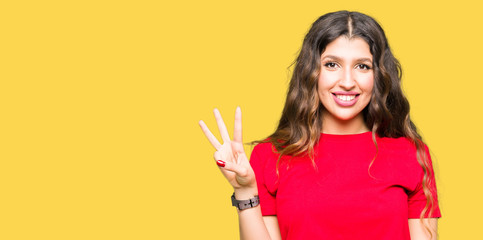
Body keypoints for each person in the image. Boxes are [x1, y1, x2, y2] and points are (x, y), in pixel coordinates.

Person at [198, 10, 441, 240]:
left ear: (378, 75)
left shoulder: (411, 154)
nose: (347, 81)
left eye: (362, 66)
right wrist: (244, 191)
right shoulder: (270, 156)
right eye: (332, 64)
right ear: (311, 72)